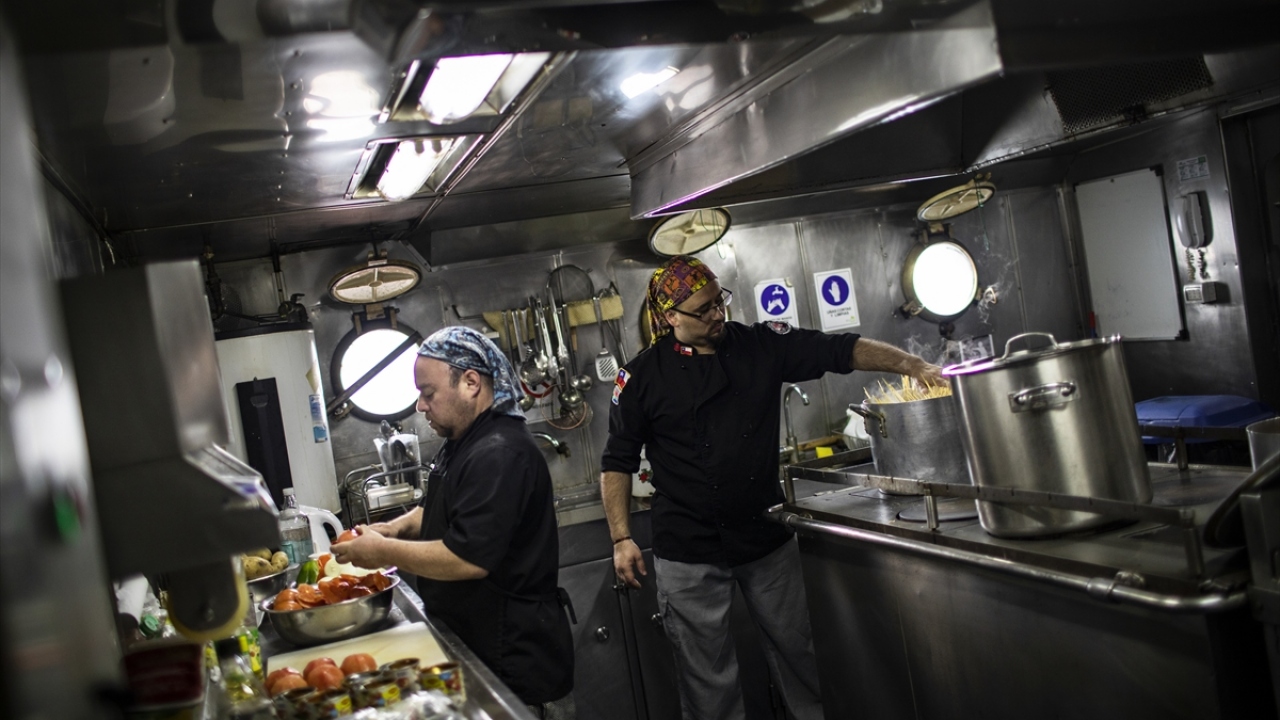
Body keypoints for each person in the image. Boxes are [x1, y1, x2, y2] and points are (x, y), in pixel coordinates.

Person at [600, 255, 943, 720]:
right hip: (687, 549)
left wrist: (911, 363)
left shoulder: (759, 345)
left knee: (804, 659)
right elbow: (617, 461)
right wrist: (621, 537)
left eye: (718, 301)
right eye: (703, 310)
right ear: (670, 317)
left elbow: (838, 349)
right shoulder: (640, 377)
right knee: (708, 684)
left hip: (765, 535)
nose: (718, 314)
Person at [332, 326, 575, 719]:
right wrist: (394, 528)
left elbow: (467, 558)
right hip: (479, 646)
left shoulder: (500, 453)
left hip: (514, 665)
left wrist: (380, 551)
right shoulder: (464, 440)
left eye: (428, 393)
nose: (420, 406)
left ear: (471, 383)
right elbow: (441, 510)